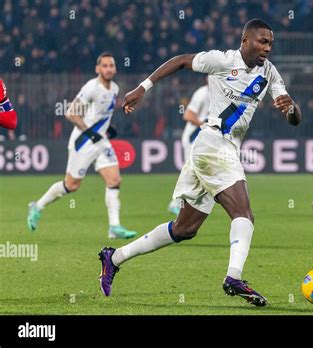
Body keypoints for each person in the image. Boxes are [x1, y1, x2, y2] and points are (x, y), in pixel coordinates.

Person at [98, 19, 301, 306]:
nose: (267, 48)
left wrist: (291, 107)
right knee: (244, 214)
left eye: (270, 43)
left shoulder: (269, 73)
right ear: (245, 41)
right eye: (262, 42)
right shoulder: (221, 60)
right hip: (215, 145)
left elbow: (294, 119)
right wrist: (143, 87)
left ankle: (114, 257)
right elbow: (181, 60)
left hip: (215, 150)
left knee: (184, 229)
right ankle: (233, 277)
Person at [27, 53, 137, 240]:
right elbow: (71, 113)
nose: (109, 69)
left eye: (111, 65)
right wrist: (90, 132)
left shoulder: (115, 88)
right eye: (105, 66)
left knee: (114, 180)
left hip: (101, 141)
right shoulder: (91, 88)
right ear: (98, 69)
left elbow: (98, 114)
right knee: (71, 185)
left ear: (115, 68)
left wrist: (107, 128)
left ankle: (114, 227)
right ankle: (37, 206)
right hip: (84, 142)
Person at [168, 79, 210, 216]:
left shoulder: (220, 93)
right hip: (193, 137)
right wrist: (203, 124)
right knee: (191, 171)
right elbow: (188, 115)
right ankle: (177, 204)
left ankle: (186, 203)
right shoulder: (202, 94)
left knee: (200, 173)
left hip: (203, 139)